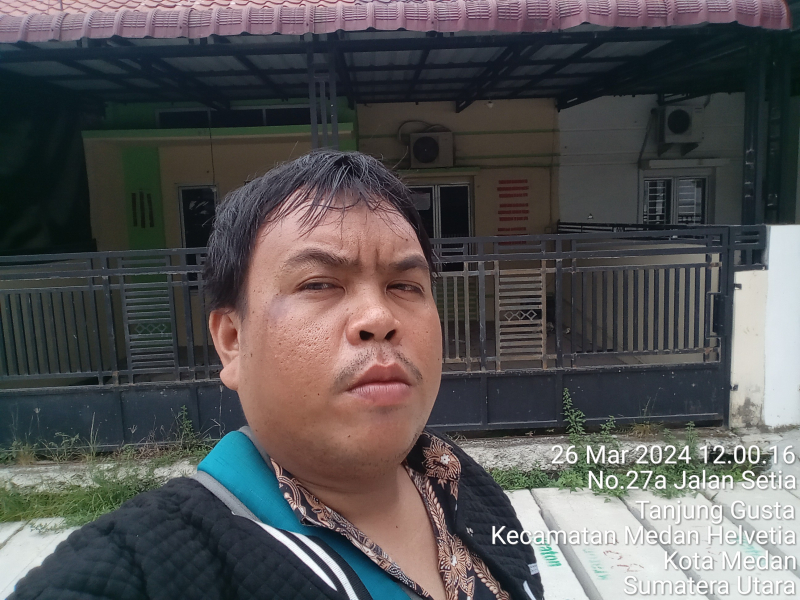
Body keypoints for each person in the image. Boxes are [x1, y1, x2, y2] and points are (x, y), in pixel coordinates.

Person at [11, 150, 545, 600]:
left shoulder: (461, 481)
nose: (379, 318)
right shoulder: (153, 563)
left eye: (405, 286)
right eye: (319, 284)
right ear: (231, 340)